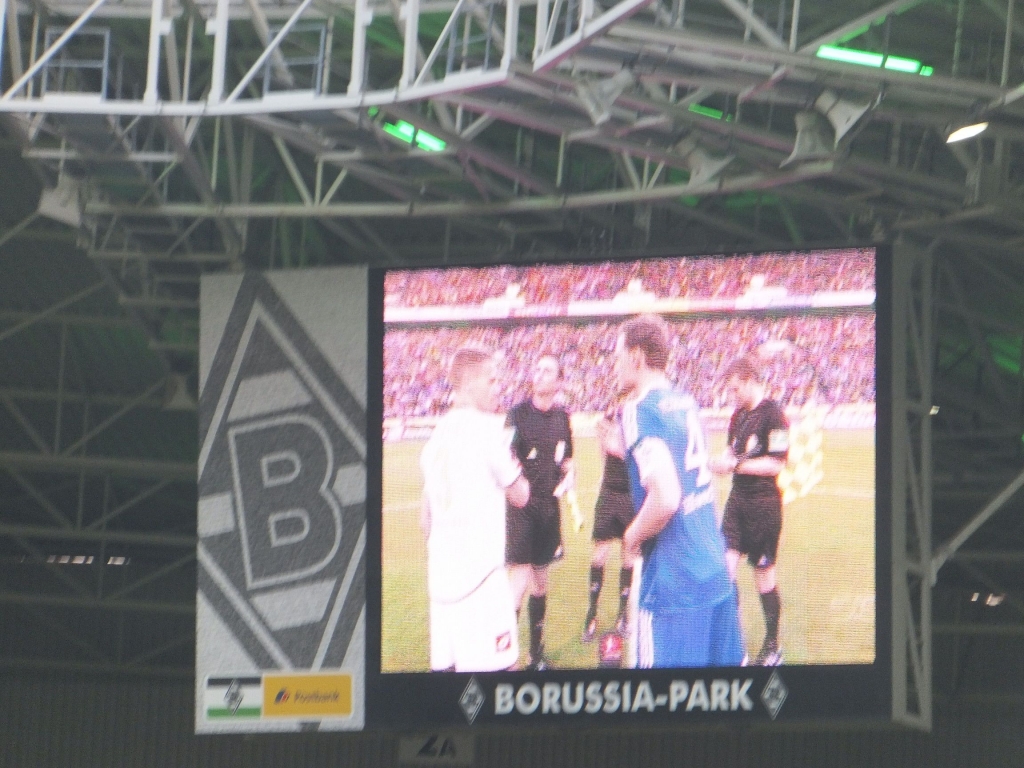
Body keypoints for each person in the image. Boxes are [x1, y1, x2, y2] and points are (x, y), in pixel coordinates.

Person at [617, 314, 745, 669]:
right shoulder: (687, 402)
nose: (614, 365)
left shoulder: (639, 410)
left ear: (636, 356)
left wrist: (631, 537)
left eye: (617, 356)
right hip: (715, 569)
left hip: (674, 585)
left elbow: (666, 498)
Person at [420, 345, 530, 672]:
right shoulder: (487, 431)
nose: (499, 388)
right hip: (482, 580)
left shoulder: (435, 439)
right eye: (492, 380)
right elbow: (521, 495)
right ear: (469, 383)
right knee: (504, 672)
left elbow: (425, 520)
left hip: (441, 584)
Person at [709, 355, 790, 666]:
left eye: (735, 389)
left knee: (763, 575)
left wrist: (736, 465)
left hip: (764, 506)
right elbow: (731, 451)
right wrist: (720, 461)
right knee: (723, 571)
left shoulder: (775, 416)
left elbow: (776, 464)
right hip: (737, 503)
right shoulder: (737, 416)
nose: (732, 395)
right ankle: (732, 641)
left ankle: (772, 645)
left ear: (750, 381)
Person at [506, 354, 575, 670]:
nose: (539, 373)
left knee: (541, 583)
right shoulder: (517, 415)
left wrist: (570, 475)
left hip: (549, 510)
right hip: (521, 509)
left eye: (548, 370)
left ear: (559, 381)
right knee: (518, 582)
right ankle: (504, 657)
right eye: (537, 368)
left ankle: (536, 655)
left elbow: (567, 460)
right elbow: (505, 457)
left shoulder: (563, 417)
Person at [582, 399, 637, 643]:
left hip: (630, 495)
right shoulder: (611, 416)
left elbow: (634, 454)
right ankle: (591, 614)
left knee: (629, 554)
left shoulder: (638, 420)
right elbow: (604, 445)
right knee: (599, 555)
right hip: (609, 493)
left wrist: (617, 446)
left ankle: (622, 615)